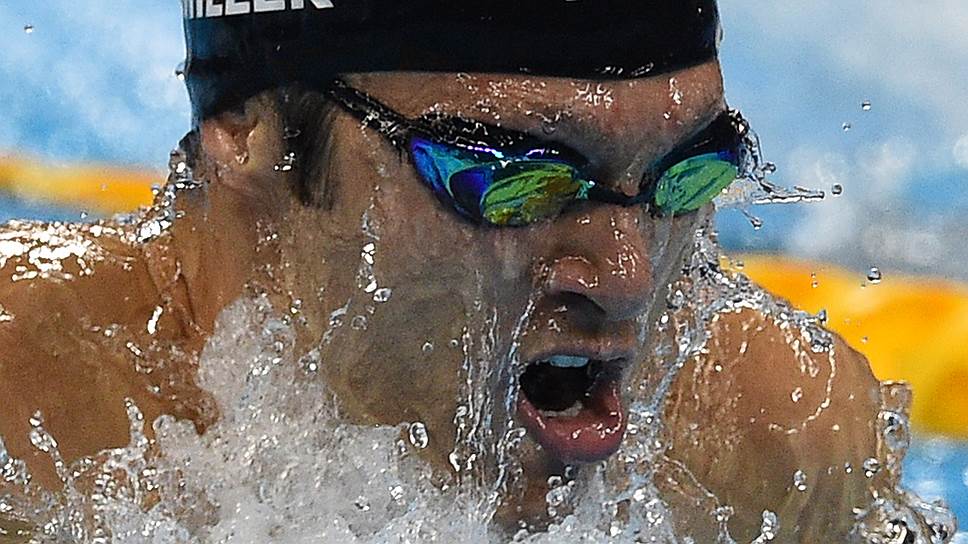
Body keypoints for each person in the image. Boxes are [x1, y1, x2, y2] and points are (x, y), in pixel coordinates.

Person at [0, 1, 951, 542]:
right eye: (512, 182)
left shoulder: (774, 450)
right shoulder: (31, 430)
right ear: (246, 131)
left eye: (684, 174)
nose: (626, 276)